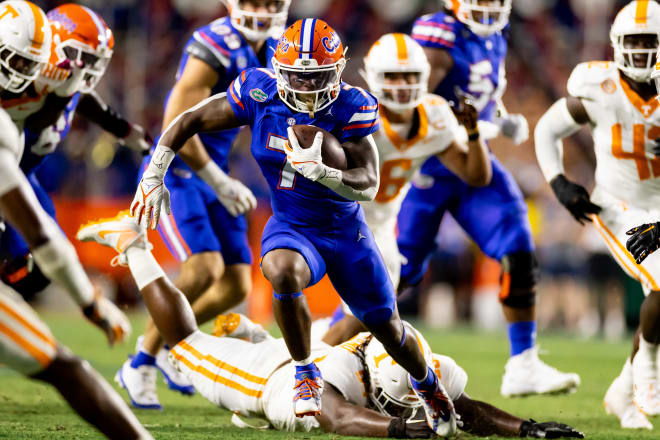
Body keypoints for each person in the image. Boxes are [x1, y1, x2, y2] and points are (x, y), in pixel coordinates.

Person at [127, 18, 459, 435]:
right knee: (281, 270)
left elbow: (368, 183)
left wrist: (322, 173)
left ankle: (428, 385)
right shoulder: (259, 91)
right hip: (292, 224)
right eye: (298, 78)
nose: (306, 88)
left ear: (336, 71)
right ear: (281, 71)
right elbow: (190, 117)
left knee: (387, 327)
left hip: (345, 231)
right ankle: (305, 372)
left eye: (316, 76)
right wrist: (154, 173)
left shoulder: (352, 106)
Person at [78, 212, 583, 439]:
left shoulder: (412, 366)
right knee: (186, 342)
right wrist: (401, 431)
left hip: (314, 349)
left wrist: (527, 430)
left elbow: (465, 410)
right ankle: (136, 247)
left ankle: (252, 332)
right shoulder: (343, 379)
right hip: (275, 382)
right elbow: (337, 418)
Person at [392, 0, 580, 397]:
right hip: (430, 166)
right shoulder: (440, 34)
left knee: (518, 248)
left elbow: (475, 92)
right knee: (395, 274)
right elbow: (415, 102)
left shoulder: (496, 33)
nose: (489, 6)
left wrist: (498, 118)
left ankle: (523, 363)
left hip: (477, 158)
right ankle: (328, 345)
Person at [118, 0, 290, 409]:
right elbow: (177, 122)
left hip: (217, 172)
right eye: (254, 2)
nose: (263, 10)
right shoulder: (217, 43)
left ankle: (172, 341)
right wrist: (218, 179)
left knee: (236, 284)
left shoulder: (278, 46)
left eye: (271, 2)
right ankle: (142, 359)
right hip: (179, 169)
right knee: (204, 267)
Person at [0, 2, 150, 439]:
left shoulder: (53, 89)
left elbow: (78, 94)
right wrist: (90, 303)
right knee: (63, 365)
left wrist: (121, 129)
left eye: (30, 65)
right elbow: (44, 238)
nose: (21, 77)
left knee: (34, 280)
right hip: (15, 189)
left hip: (20, 185)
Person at [535, 0, 660, 429]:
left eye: (651, 41)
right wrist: (558, 181)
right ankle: (646, 370)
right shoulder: (599, 86)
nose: (642, 51)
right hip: (619, 207)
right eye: (635, 42)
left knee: (658, 300)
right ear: (617, 45)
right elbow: (548, 128)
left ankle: (623, 392)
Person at [321, 32, 491, 345]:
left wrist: (473, 132)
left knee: (371, 315)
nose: (401, 85)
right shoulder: (357, 113)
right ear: (372, 78)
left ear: (425, 77)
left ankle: (317, 356)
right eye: (392, 76)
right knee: (368, 311)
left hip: (382, 225)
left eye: (409, 76)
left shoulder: (435, 116)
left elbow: (475, 174)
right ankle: (301, 369)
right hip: (339, 216)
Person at [0, 3, 151, 302]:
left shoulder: (65, 85)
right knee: (28, 257)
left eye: (95, 59)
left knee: (45, 264)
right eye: (81, 55)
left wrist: (121, 129)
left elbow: (81, 99)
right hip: (8, 177)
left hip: (25, 177)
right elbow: (37, 118)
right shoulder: (23, 78)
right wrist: (63, 92)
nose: (88, 66)